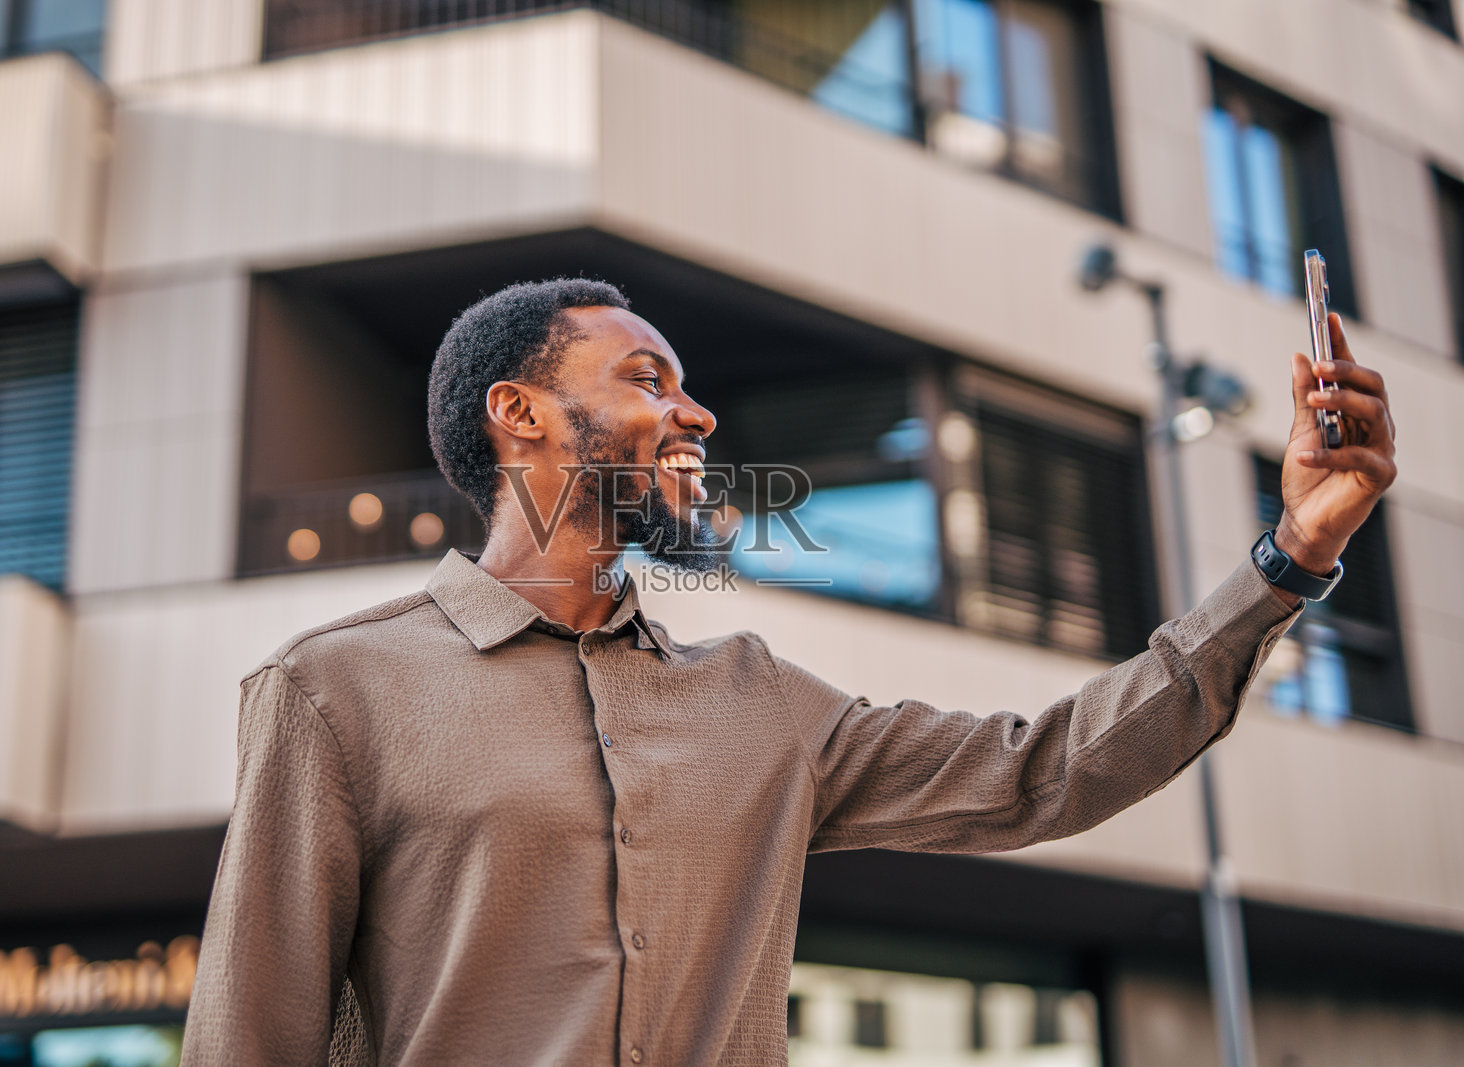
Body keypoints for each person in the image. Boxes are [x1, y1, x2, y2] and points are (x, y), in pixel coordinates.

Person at [181, 278, 1396, 1065]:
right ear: (522, 415)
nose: (698, 415)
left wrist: (1290, 556)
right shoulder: (333, 690)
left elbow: (1044, 771)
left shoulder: (763, 703)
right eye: (649, 380)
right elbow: (251, 1041)